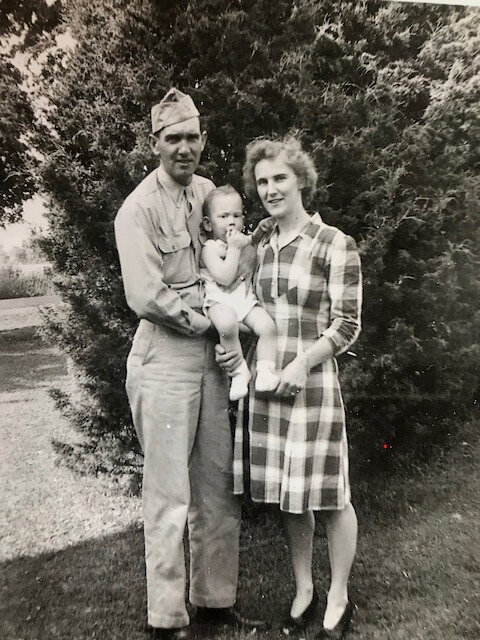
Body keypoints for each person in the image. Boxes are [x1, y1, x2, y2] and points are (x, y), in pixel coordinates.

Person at [114, 88, 264, 640]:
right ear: (154, 143)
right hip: (166, 358)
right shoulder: (137, 209)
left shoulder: (208, 195)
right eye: (172, 138)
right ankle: (166, 618)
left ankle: (216, 603)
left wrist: (234, 321)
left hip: (212, 361)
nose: (184, 147)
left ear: (203, 140)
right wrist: (213, 324)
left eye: (192, 137)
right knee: (169, 496)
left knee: (217, 488)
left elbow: (238, 257)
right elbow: (147, 296)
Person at [218, 135, 362, 639]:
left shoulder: (334, 243)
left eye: (280, 178)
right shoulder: (257, 244)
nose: (271, 189)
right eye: (262, 182)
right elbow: (238, 301)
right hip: (267, 379)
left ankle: (340, 595)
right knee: (287, 492)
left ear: (301, 179)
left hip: (313, 381)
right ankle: (304, 588)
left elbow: (347, 325)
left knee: (328, 494)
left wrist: (304, 362)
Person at [201, 185, 279, 401]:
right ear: (208, 223)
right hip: (219, 301)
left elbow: (251, 242)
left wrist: (259, 232)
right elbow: (224, 278)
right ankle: (239, 372)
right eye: (224, 216)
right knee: (227, 325)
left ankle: (266, 370)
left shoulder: (239, 239)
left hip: (243, 299)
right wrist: (234, 248)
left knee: (267, 327)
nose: (231, 221)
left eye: (236, 215)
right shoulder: (210, 248)